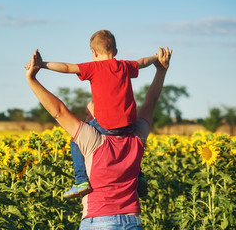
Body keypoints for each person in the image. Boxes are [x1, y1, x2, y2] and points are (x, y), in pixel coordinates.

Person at [25, 47, 172, 229]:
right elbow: (151, 101)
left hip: (99, 221)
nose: (86, 119)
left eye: (87, 115)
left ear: (97, 118)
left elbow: (59, 111)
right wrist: (161, 71)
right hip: (133, 220)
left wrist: (31, 80)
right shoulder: (137, 135)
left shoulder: (92, 140)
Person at [28, 30, 158, 198]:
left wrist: (43, 64)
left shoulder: (93, 67)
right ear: (116, 52)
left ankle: (81, 180)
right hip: (129, 125)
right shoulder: (125, 65)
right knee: (130, 145)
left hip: (107, 126)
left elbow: (67, 67)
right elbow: (142, 61)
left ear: (94, 52)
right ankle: (139, 176)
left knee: (76, 140)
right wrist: (155, 58)